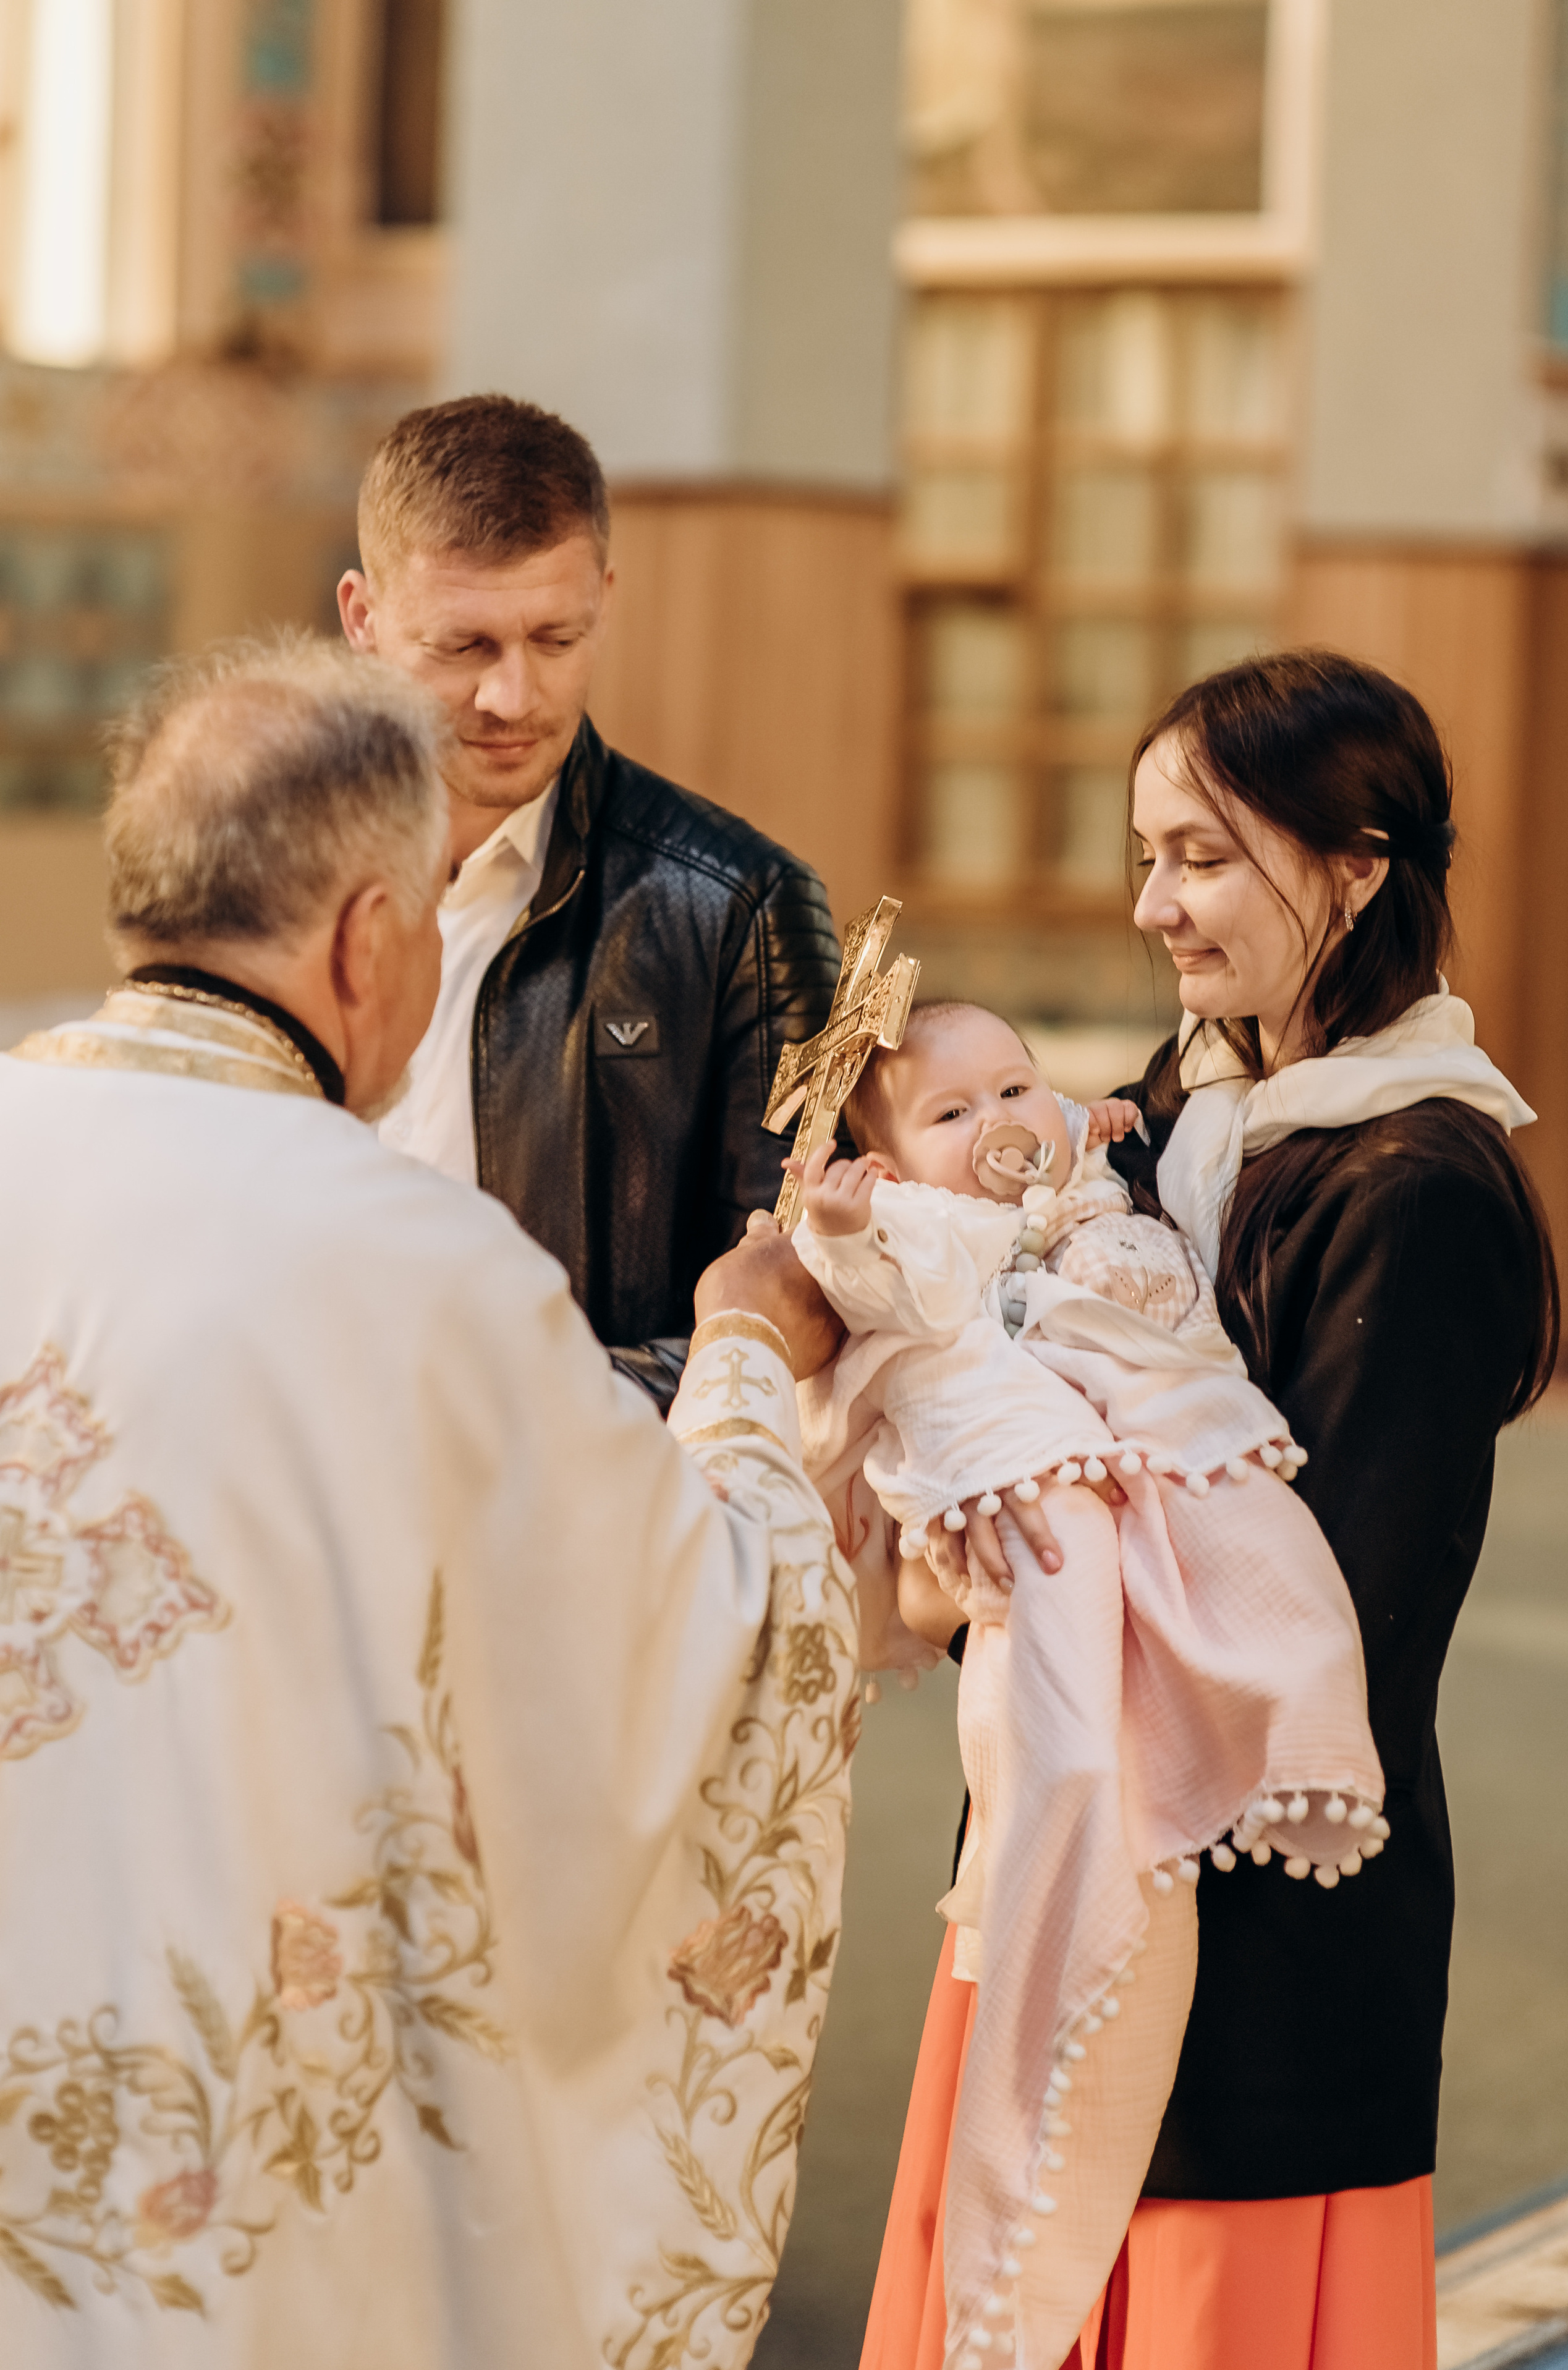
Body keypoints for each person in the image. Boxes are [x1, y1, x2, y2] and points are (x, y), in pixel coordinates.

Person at [0, 635, 857, 2370]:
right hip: (222, 2205)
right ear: (369, 939)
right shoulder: (420, 1270)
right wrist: (751, 1361)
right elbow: (697, 1633)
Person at [862, 650, 1557, 2370]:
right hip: (1054, 1862)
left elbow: (1341, 1616)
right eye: (1145, 852)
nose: (1150, 903)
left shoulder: (1417, 1186)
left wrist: (1026, 1568)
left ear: (1356, 866)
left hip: (1257, 1939)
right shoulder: (1182, 1114)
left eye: (1203, 856)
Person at [790, 1002, 1384, 2367]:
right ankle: (1080, 1808)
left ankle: (1262, 1714)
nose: (999, 1120)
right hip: (1032, 1486)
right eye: (951, 1114)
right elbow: (888, 1304)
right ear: (885, 1168)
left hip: (1152, 1452)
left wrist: (1084, 1140)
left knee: (1249, 1566)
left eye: (1015, 1085)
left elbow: (1087, 1196)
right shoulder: (923, 1235)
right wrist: (837, 1226)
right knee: (1052, 1735)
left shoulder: (1085, 1175)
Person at [337, 393, 842, 1405]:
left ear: (604, 598)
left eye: (555, 639)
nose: (512, 698)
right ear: (363, 619)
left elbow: (809, 1301)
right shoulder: (276, 878)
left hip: (589, 1514)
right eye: (464, 647)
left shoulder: (742, 909)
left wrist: (502, 1422)